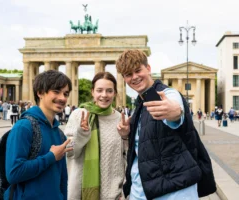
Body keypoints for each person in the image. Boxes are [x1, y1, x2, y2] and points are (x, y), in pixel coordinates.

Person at [115, 50, 215, 200]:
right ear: (124, 78)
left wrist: (175, 112)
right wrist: (125, 134)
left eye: (137, 71)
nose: (134, 77)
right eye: (128, 74)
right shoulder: (139, 105)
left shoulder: (167, 94)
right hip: (141, 190)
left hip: (175, 191)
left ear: (148, 69)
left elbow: (174, 110)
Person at [4, 70, 73, 200]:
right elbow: (13, 173)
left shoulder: (59, 133)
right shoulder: (23, 127)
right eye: (56, 91)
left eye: (66, 93)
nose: (62, 98)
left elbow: (62, 177)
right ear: (40, 93)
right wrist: (51, 157)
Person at [64, 72, 127, 200]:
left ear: (115, 93)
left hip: (113, 196)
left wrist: (125, 191)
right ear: (92, 92)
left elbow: (127, 158)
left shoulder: (122, 120)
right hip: (81, 194)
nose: (104, 95)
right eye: (99, 90)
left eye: (109, 91)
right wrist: (82, 133)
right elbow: (69, 153)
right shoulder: (79, 115)